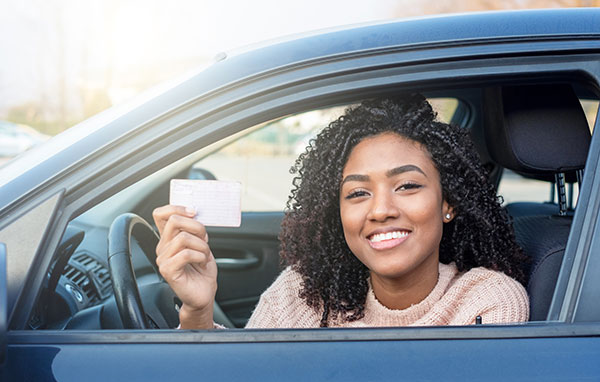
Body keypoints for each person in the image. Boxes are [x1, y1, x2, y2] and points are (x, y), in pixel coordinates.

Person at [153, 94, 529, 329]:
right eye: (358, 193)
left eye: (408, 186)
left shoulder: (488, 301)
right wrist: (198, 312)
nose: (380, 210)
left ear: (448, 203)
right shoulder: (303, 295)